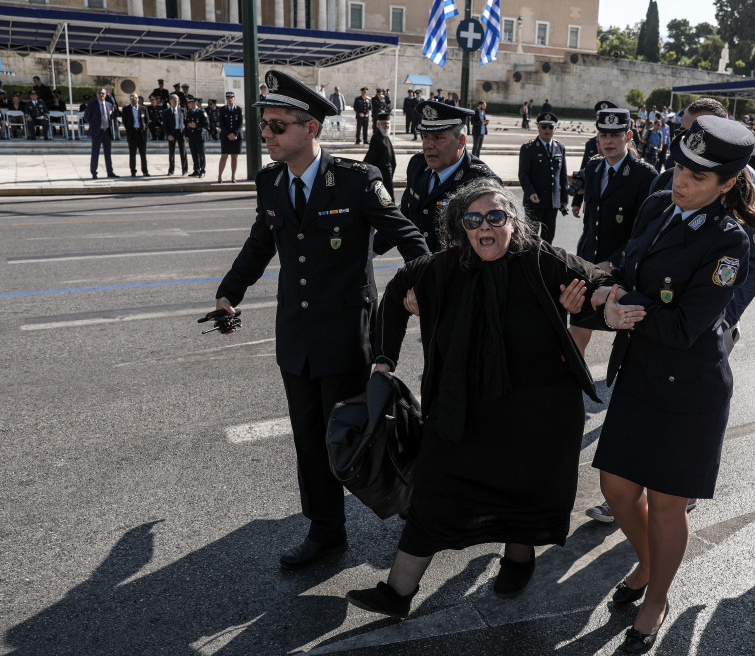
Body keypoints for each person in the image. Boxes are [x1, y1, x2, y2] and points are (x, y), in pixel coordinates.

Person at [344, 177, 616, 619]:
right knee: (434, 492)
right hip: (461, 409)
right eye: (473, 219)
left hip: (538, 409)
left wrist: (590, 301)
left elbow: (598, 281)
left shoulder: (541, 259)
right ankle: (396, 593)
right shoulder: (441, 268)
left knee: (524, 494)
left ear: (513, 221)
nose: (484, 226)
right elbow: (394, 296)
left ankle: (518, 561)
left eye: (495, 216)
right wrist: (383, 363)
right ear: (461, 226)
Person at [212, 69, 429, 572]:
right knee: (311, 442)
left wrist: (423, 284)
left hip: (347, 337)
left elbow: (408, 234)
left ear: (310, 129)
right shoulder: (270, 182)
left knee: (361, 437)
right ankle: (327, 532)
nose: (266, 134)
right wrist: (228, 293)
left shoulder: (356, 181)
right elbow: (259, 245)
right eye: (264, 124)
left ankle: (412, 504)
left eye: (277, 125)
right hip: (296, 337)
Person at [593, 116, 754, 654]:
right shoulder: (660, 204)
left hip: (690, 389)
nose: (682, 180)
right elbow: (629, 266)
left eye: (699, 176)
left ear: (727, 184)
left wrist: (617, 311)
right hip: (641, 373)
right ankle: (649, 562)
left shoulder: (730, 243)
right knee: (616, 490)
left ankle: (657, 596)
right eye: (681, 166)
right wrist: (603, 287)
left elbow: (686, 326)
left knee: (666, 503)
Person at [569, 108, 657, 355]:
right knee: (578, 324)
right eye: (603, 135)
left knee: (627, 335)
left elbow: (645, 232)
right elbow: (590, 224)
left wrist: (615, 262)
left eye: (615, 135)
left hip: (623, 269)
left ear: (629, 135)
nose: (608, 141)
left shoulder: (644, 175)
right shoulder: (595, 167)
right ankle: (574, 382)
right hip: (589, 263)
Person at [379, 99, 498, 254]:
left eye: (438, 137)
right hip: (417, 271)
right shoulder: (418, 166)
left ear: (461, 141)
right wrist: (368, 252)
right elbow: (404, 217)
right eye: (425, 136)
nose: (428, 145)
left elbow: (491, 246)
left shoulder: (480, 181)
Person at [517, 112, 569, 244]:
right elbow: (523, 174)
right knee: (530, 238)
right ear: (538, 128)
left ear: (555, 129)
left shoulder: (560, 148)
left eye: (550, 127)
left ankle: (545, 263)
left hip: (553, 202)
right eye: (544, 126)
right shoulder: (528, 148)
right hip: (535, 200)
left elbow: (562, 175)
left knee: (548, 238)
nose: (547, 130)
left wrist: (564, 198)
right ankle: (529, 263)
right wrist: (530, 192)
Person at [82, 88, 117, 180]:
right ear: (96, 94)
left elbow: (112, 116)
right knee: (95, 153)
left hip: (107, 131)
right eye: (99, 93)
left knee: (108, 153)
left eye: (103, 93)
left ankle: (110, 172)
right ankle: (94, 172)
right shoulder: (92, 104)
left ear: (106, 95)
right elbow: (86, 117)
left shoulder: (109, 105)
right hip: (97, 131)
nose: (101, 95)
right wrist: (94, 123)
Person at [363, 112, 397, 200]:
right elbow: (371, 157)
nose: (387, 125)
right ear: (379, 124)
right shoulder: (376, 138)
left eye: (388, 123)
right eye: (384, 123)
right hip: (381, 174)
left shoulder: (386, 136)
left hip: (388, 174)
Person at [121, 93, 150, 177]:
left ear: (138, 99)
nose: (134, 99)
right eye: (132, 98)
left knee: (143, 153)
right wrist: (129, 129)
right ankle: (133, 171)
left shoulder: (143, 108)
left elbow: (147, 120)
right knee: (132, 153)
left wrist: (143, 128)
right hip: (132, 133)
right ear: (130, 99)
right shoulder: (126, 109)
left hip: (141, 133)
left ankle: (145, 171)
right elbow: (124, 121)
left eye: (136, 98)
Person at [217, 91, 243, 183]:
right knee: (224, 155)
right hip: (225, 136)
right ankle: (220, 176)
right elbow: (221, 124)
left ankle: (233, 176)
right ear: (226, 99)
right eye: (228, 97)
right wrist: (228, 134)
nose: (230, 99)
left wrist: (235, 134)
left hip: (236, 137)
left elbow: (240, 124)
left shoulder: (238, 109)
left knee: (234, 156)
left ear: (234, 98)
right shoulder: (222, 109)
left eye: (232, 97)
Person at [183, 97, 208, 178]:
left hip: (199, 136)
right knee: (194, 154)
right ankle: (196, 170)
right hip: (191, 136)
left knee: (201, 154)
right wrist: (186, 135)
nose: (188, 105)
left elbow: (206, 124)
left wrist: (196, 126)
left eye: (189, 103)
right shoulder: (189, 113)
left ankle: (202, 170)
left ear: (194, 103)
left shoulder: (201, 112)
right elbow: (186, 125)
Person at [163, 93, 188, 176]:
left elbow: (185, 122)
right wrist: (168, 134)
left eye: (177, 101)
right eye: (174, 101)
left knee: (183, 152)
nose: (176, 102)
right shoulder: (166, 112)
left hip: (181, 132)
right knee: (171, 152)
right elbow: (165, 125)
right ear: (170, 101)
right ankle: (171, 170)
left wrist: (186, 134)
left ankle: (184, 170)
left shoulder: (182, 110)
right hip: (172, 133)